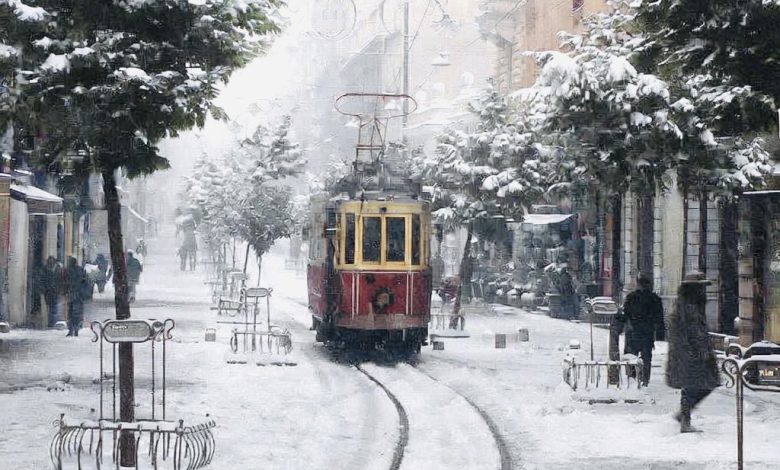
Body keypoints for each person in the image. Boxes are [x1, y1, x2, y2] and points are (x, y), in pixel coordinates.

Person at [666, 272, 720, 432]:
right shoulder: (689, 306)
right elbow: (694, 331)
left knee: (694, 386)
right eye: (701, 287)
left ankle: (684, 417)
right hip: (691, 354)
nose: (704, 290)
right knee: (698, 385)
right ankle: (685, 419)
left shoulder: (689, 304)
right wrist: (701, 350)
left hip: (690, 353)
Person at [622, 273, 665, 385]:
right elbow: (659, 318)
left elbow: (625, 314)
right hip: (647, 333)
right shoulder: (655, 299)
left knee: (631, 357)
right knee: (646, 358)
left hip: (634, 332)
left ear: (638, 284)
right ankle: (645, 380)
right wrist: (660, 334)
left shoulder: (631, 297)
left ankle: (631, 379)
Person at [64, 257, 86, 336]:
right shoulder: (80, 270)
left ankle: (72, 329)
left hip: (73, 295)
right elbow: (84, 282)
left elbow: (66, 282)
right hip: (78, 295)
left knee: (71, 313)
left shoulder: (68, 270)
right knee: (76, 313)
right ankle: (75, 329)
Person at [42, 256, 62, 327]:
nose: (51, 263)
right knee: (52, 307)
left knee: (53, 308)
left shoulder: (57, 269)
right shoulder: (46, 269)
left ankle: (52, 322)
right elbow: (43, 280)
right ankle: (52, 322)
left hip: (54, 291)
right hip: (49, 292)